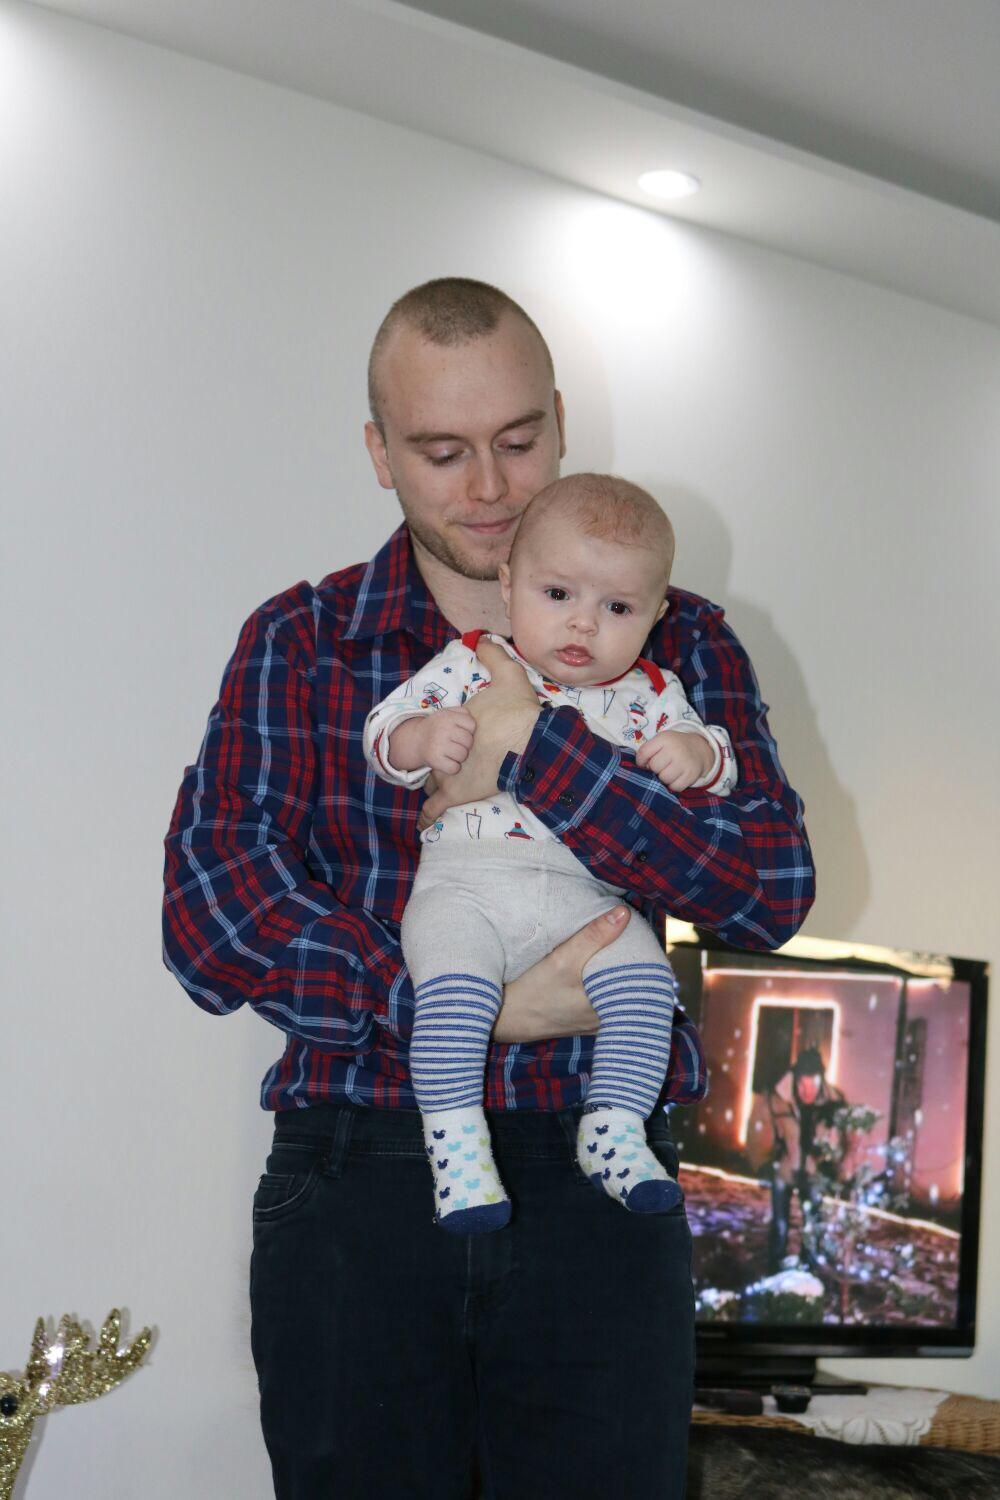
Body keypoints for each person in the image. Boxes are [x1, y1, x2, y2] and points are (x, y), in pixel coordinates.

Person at [162, 277, 815, 1500]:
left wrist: (533, 747)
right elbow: (212, 912)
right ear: (379, 453)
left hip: (603, 1173)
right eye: (440, 451)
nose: (487, 488)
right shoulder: (304, 641)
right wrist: (462, 1011)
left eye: (516, 441)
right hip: (362, 1170)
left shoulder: (682, 643)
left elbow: (768, 888)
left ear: (559, 423)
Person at [364, 473, 737, 1232]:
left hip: (581, 905)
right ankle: (457, 1151)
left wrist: (697, 754)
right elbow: (384, 731)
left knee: (646, 987)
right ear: (509, 585)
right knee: (454, 994)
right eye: (558, 594)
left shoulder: (652, 693)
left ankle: (614, 1131)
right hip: (466, 890)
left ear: (656, 614)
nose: (583, 624)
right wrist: (422, 738)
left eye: (618, 608)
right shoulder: (472, 661)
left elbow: (722, 766)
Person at [747, 1046, 847, 1272]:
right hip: (783, 1168)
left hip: (813, 1172)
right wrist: (763, 1163)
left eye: (813, 1085)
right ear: (795, 1079)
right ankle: (775, 1267)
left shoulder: (834, 1103)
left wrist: (834, 1166)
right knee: (780, 1224)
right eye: (802, 1084)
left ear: (821, 1080)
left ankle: (809, 1269)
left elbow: (843, 1139)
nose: (807, 1092)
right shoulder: (776, 1099)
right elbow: (757, 1131)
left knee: (813, 1224)